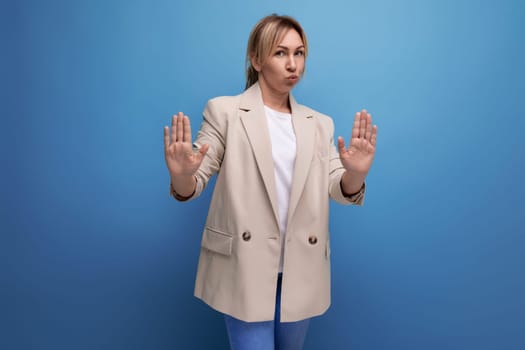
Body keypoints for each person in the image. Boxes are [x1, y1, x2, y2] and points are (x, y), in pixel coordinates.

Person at [163, 14, 377, 350]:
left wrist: (356, 173)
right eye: (280, 53)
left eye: (300, 53)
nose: (293, 64)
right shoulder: (225, 112)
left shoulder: (319, 124)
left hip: (301, 267)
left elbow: (339, 186)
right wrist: (181, 173)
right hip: (244, 267)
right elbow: (194, 183)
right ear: (256, 58)